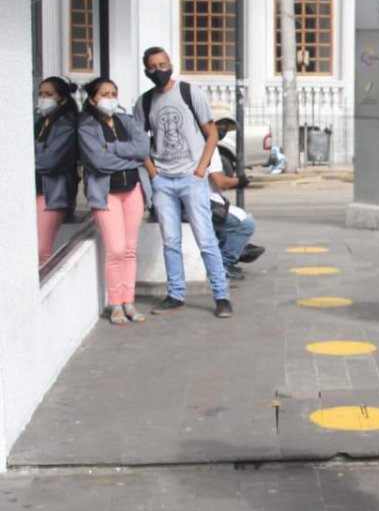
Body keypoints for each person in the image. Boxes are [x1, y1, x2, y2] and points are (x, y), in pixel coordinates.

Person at [134, 46, 232, 318]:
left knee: (206, 239)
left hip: (192, 178)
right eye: (153, 67)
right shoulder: (144, 103)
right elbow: (140, 143)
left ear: (171, 64)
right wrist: (153, 173)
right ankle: (175, 294)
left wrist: (201, 169)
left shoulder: (190, 93)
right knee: (170, 241)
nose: (159, 70)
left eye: (163, 64)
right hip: (163, 180)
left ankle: (221, 296)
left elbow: (211, 133)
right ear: (146, 71)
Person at [77, 77, 152, 325]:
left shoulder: (126, 121)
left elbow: (143, 150)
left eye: (113, 94)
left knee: (130, 249)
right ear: (92, 99)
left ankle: (128, 301)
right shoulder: (87, 126)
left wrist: (113, 149)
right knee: (116, 249)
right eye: (104, 94)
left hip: (133, 190)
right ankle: (115, 302)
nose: (109, 99)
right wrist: (130, 156)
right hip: (106, 193)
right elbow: (99, 162)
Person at [205, 106, 257, 281]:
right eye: (220, 124)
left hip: (210, 199)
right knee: (245, 224)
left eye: (226, 126)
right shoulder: (208, 146)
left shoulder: (208, 145)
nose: (223, 130)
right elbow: (219, 181)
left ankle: (229, 254)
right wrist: (239, 181)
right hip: (205, 201)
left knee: (235, 218)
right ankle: (223, 264)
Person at [34, 76, 80, 265]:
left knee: (41, 249)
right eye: (41, 94)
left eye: (49, 94)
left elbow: (49, 160)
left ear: (61, 98)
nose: (43, 98)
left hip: (53, 194)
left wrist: (32, 150)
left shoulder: (66, 124)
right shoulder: (40, 121)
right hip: (37, 188)